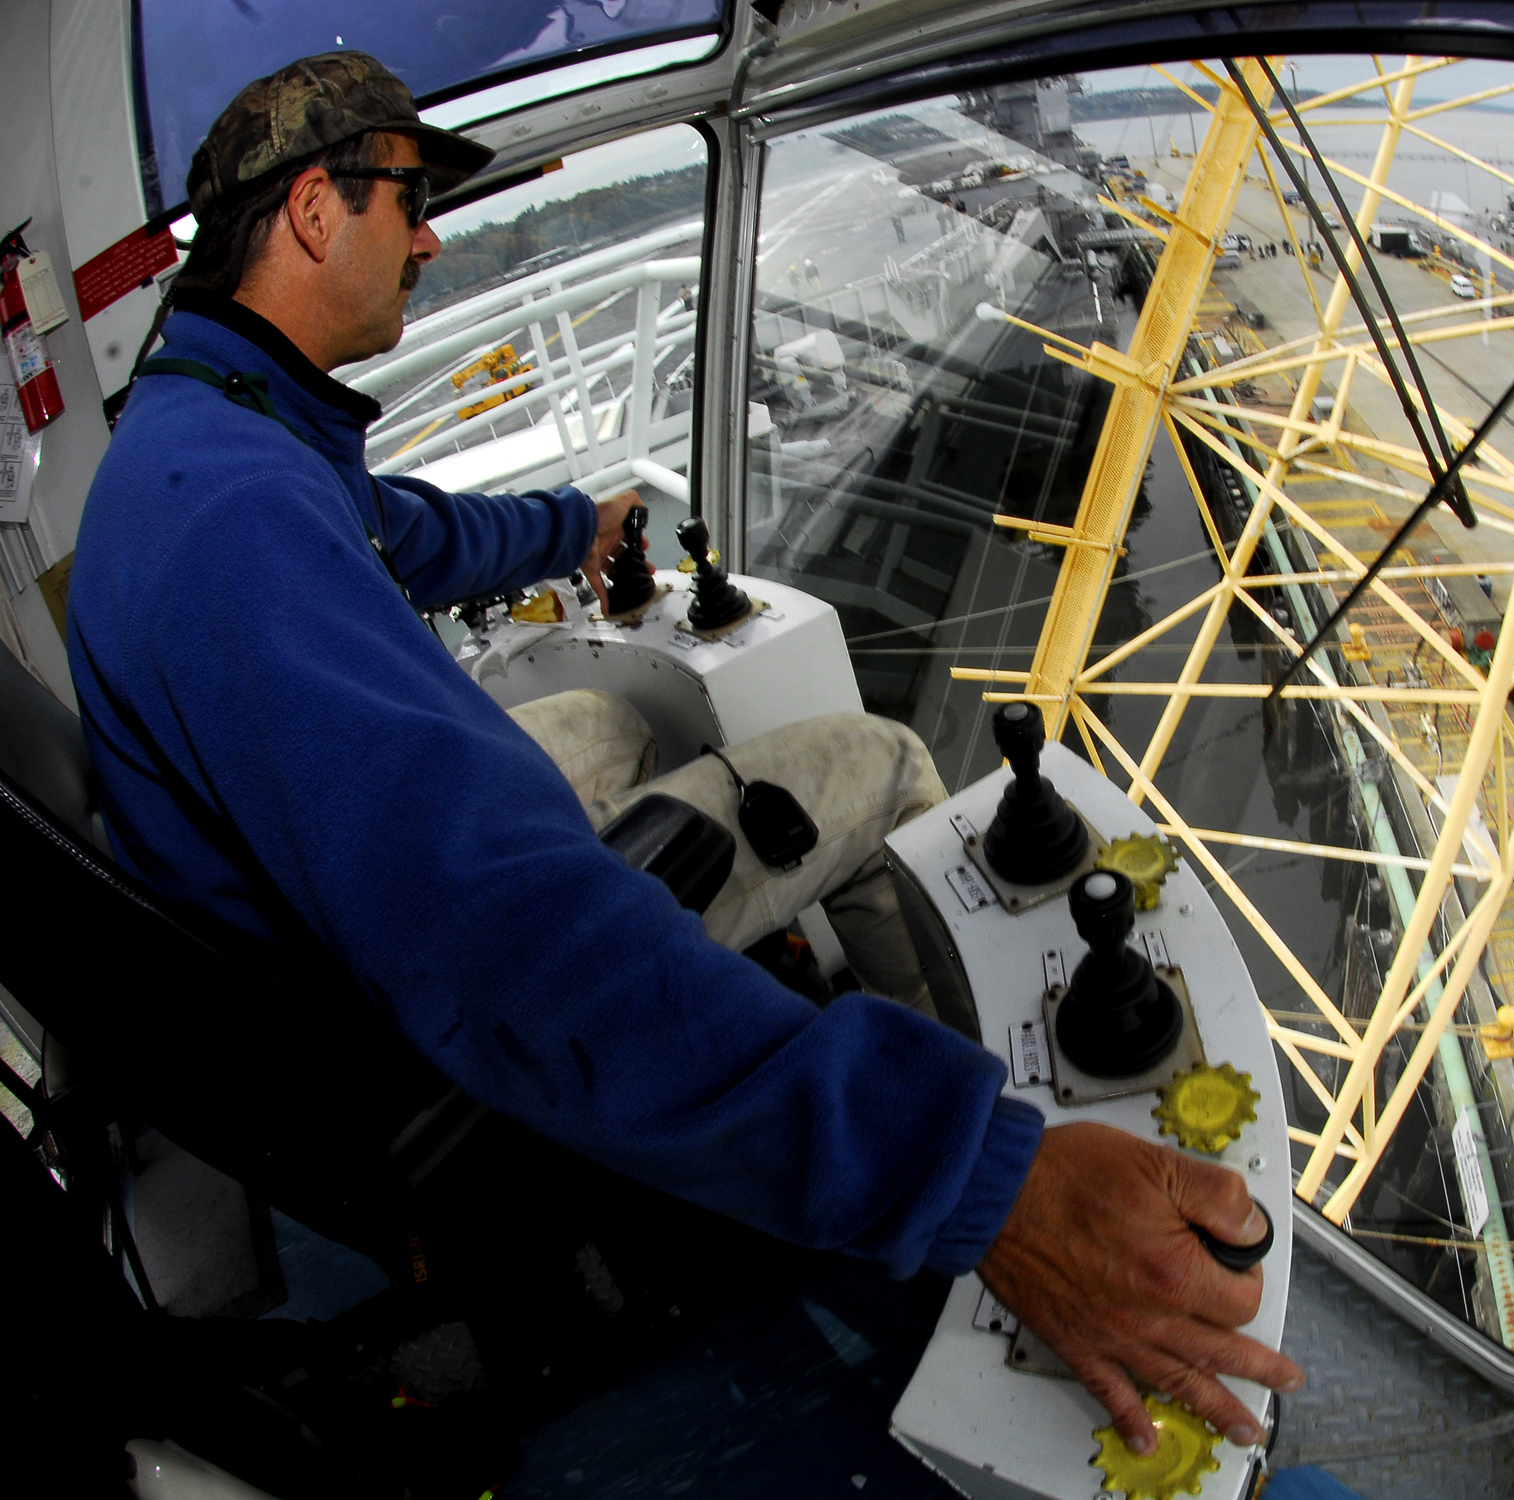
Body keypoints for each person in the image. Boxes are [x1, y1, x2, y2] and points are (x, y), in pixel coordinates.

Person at [65, 53, 1299, 1455]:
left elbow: (403, 534)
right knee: (886, 762)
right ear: (308, 212)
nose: (430, 238)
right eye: (408, 200)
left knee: (601, 720)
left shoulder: (212, 434)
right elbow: (500, 936)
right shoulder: (230, 526)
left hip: (298, 1001)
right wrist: (969, 1178)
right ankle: (979, 1091)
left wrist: (571, 527)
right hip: (418, 1029)